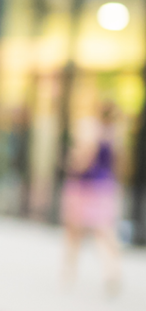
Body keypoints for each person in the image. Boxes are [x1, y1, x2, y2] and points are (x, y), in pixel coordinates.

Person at [60, 103, 123, 298]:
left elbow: (82, 160)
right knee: (104, 232)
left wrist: (70, 163)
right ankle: (111, 270)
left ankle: (69, 272)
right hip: (105, 186)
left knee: (74, 232)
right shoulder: (116, 135)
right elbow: (120, 164)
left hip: (84, 188)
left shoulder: (89, 129)